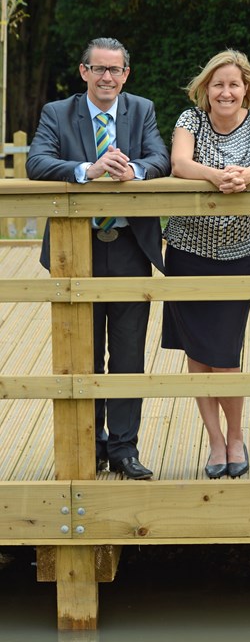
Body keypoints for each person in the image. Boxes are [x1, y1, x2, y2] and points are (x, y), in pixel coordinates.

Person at [27, 37, 171, 480]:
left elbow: (161, 158)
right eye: (99, 69)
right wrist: (85, 172)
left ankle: (125, 449)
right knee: (82, 352)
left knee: (128, 354)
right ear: (83, 72)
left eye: (115, 70)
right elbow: (36, 162)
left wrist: (137, 173)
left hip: (129, 247)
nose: (107, 77)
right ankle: (90, 446)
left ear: (126, 74)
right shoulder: (58, 113)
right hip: (77, 251)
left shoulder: (140, 109)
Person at [162, 50, 250, 480]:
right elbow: (179, 163)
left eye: (233, 84)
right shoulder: (190, 120)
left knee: (226, 354)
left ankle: (235, 434)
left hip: (241, 250)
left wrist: (246, 176)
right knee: (197, 353)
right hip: (189, 250)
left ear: (245, 87)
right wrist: (215, 176)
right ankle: (213, 440)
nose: (226, 92)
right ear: (205, 89)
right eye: (218, 84)